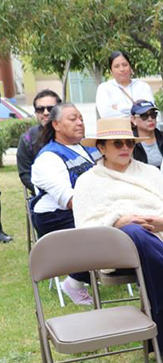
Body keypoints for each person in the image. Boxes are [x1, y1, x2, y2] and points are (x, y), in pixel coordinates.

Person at [72, 117, 163, 363]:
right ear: (101, 148)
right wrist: (117, 220)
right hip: (112, 251)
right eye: (117, 143)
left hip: (156, 246)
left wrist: (162, 223)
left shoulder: (151, 173)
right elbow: (84, 225)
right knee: (133, 231)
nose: (125, 148)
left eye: (128, 143)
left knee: (143, 245)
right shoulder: (88, 182)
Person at [30, 103, 102, 305]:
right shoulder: (49, 158)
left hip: (86, 210)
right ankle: (75, 281)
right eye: (72, 119)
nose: (80, 122)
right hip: (57, 217)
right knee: (113, 230)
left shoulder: (87, 148)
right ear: (56, 125)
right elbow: (69, 199)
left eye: (81, 118)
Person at [17, 89, 60, 191]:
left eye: (51, 108)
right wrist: (44, 192)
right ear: (35, 112)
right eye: (40, 109)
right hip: (44, 195)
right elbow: (25, 174)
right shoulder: (27, 139)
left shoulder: (71, 133)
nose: (45, 113)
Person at [95, 51, 154, 119]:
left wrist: (120, 107)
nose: (122, 69)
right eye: (116, 66)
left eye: (125, 65)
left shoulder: (143, 86)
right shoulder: (104, 88)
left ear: (130, 67)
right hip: (118, 128)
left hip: (142, 129)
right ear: (111, 71)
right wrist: (137, 115)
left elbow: (149, 110)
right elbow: (105, 114)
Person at [130, 100, 163, 167]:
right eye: (144, 116)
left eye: (153, 115)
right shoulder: (129, 141)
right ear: (133, 119)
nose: (150, 119)